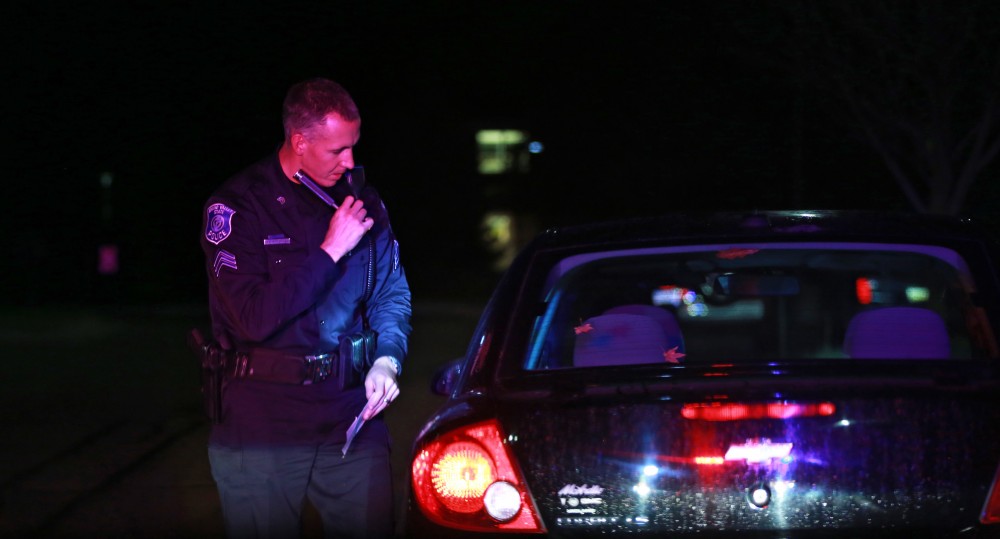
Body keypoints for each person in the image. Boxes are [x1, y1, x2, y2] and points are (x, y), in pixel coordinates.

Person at [199, 77, 411, 538]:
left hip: (350, 415)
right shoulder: (237, 208)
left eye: (353, 146)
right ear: (299, 141)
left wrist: (388, 360)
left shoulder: (363, 200)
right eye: (337, 150)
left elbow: (391, 293)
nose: (350, 161)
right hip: (263, 422)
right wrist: (329, 250)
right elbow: (252, 317)